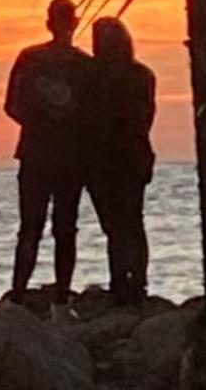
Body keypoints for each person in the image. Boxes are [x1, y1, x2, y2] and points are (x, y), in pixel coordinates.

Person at [3, 0, 93, 305]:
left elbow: (12, 106)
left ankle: (21, 293)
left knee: (34, 226)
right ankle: (58, 295)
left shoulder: (34, 59)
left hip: (44, 153)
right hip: (61, 154)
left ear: (49, 24)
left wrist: (38, 121)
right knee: (61, 227)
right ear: (75, 23)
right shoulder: (82, 66)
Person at [85, 16, 156, 305]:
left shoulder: (93, 76)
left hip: (114, 157)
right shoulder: (140, 75)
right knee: (124, 223)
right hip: (120, 157)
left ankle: (128, 283)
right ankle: (130, 283)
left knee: (121, 224)